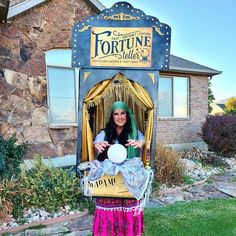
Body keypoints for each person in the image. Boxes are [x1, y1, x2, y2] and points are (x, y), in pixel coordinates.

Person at [92, 101, 145, 236]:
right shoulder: (104, 133)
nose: (119, 117)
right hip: (110, 180)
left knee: (128, 205)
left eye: (122, 113)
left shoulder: (134, 133)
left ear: (127, 115)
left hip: (127, 182)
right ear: (112, 116)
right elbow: (96, 143)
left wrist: (140, 143)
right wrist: (98, 145)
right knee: (108, 206)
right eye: (116, 114)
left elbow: (144, 142)